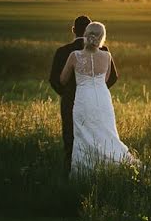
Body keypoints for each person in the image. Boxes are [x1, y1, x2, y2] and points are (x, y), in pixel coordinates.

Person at [59, 21, 133, 175]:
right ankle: (110, 164)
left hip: (83, 98)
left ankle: (84, 171)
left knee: (83, 132)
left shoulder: (75, 56)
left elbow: (62, 80)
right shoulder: (107, 56)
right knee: (105, 131)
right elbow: (105, 79)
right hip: (102, 98)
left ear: (85, 35)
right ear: (102, 38)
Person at [48, 15, 119, 174]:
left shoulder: (63, 51)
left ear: (73, 30)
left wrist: (67, 94)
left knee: (71, 137)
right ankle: (101, 169)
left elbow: (55, 80)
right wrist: (96, 90)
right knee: (100, 135)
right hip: (99, 101)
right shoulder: (105, 52)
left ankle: (72, 171)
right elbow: (113, 77)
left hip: (71, 101)